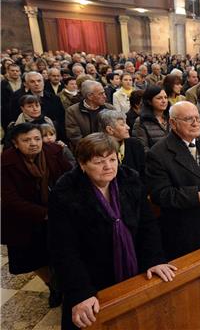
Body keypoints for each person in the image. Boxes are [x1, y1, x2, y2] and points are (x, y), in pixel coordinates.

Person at [49, 133, 176, 329]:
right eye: (99, 162)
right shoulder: (66, 192)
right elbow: (64, 249)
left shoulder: (130, 179)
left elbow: (147, 224)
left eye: (112, 159)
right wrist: (80, 292)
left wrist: (154, 259)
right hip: (91, 277)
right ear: (82, 164)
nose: (108, 166)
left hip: (132, 268)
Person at [146, 101, 200, 260]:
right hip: (185, 230)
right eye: (189, 119)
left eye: (197, 118)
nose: (195, 123)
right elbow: (160, 194)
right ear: (173, 123)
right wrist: (198, 197)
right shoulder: (158, 153)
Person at [1, 123, 72, 307]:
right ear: (15, 144)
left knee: (61, 252)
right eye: (26, 140)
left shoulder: (54, 151)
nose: (33, 143)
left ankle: (66, 284)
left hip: (57, 211)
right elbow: (10, 199)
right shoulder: (6, 162)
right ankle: (53, 285)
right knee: (33, 258)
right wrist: (44, 214)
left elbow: (69, 178)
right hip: (24, 218)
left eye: (37, 138)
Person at [65, 80, 114, 150]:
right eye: (101, 94)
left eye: (104, 93)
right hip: (87, 151)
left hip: (109, 149)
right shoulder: (73, 111)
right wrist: (94, 149)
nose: (105, 96)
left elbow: (115, 132)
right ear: (90, 96)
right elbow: (75, 137)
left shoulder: (110, 109)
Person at [99, 110, 146, 177]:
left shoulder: (135, 144)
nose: (128, 127)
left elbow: (143, 172)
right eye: (122, 124)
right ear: (110, 129)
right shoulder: (99, 148)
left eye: (126, 123)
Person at [132, 86, 170, 150]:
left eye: (165, 97)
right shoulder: (141, 121)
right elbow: (142, 148)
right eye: (159, 98)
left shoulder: (171, 118)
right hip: (154, 158)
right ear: (149, 101)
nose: (164, 101)